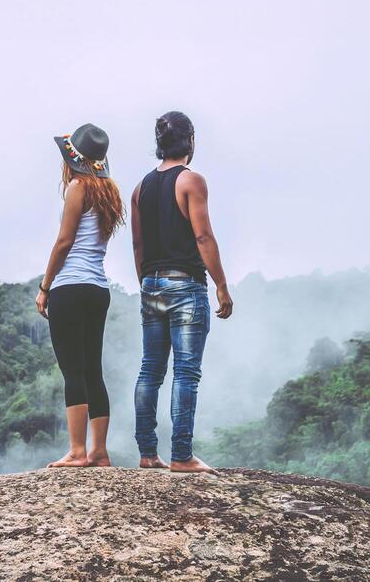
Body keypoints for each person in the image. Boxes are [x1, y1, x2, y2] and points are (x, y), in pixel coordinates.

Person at [131, 110, 233, 474]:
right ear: (190, 141)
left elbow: (138, 244)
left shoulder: (140, 188)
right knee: (186, 373)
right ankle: (181, 455)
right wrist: (221, 285)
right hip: (186, 284)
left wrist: (145, 282)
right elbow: (203, 236)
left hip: (150, 283)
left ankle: (147, 453)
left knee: (150, 370)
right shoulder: (191, 181)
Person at [34, 122, 123, 468]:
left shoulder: (76, 187)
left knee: (72, 370)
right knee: (92, 369)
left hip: (69, 288)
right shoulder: (108, 191)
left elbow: (64, 242)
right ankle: (99, 450)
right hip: (98, 289)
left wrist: (45, 286)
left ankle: (77, 451)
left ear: (72, 160)